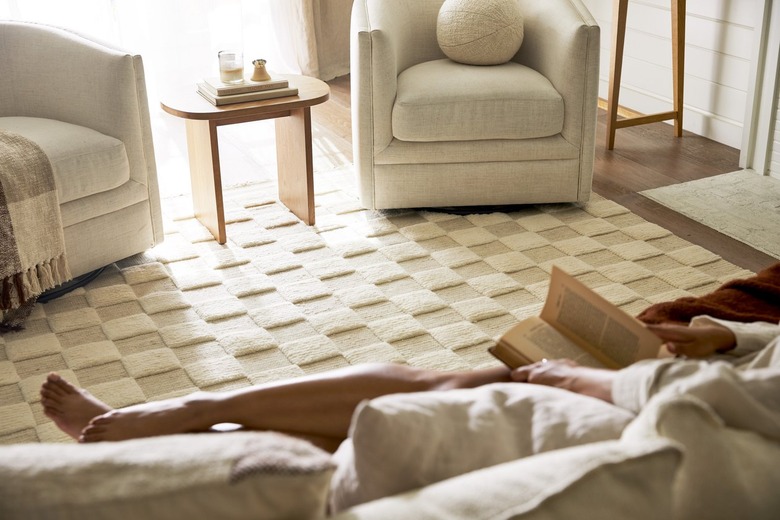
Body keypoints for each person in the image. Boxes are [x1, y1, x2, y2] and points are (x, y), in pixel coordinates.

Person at [40, 315, 780, 451]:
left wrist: (586, 379)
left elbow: (748, 407)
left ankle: (194, 414)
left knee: (440, 397)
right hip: (701, 377)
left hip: (677, 410)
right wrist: (734, 335)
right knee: (455, 374)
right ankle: (193, 417)